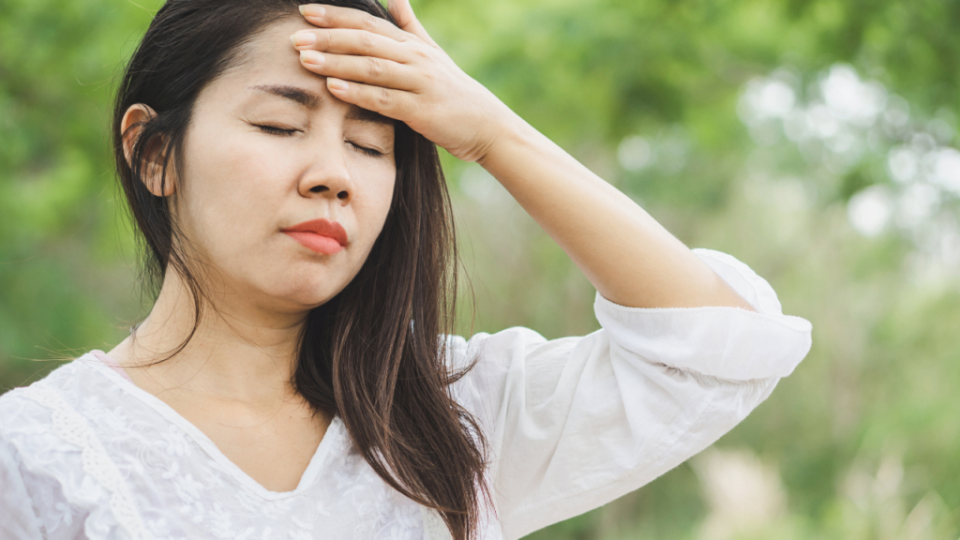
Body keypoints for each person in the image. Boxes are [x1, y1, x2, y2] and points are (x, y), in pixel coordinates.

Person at [0, 0, 812, 539]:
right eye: (281, 125)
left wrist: (494, 133)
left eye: (369, 144)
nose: (333, 173)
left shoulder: (446, 417)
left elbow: (719, 347)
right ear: (154, 153)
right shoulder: (38, 455)